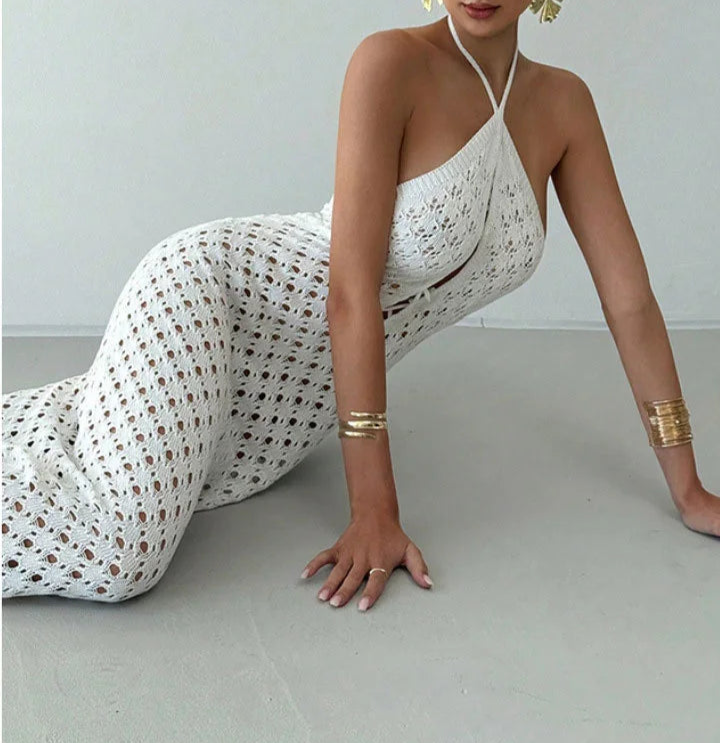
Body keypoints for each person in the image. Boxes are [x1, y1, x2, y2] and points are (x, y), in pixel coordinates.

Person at [2, 0, 718, 608]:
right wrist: (375, 509)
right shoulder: (391, 62)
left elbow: (630, 300)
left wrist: (688, 489)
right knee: (122, 550)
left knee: (89, 448)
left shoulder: (564, 104)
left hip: (287, 404)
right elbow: (351, 293)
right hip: (213, 295)